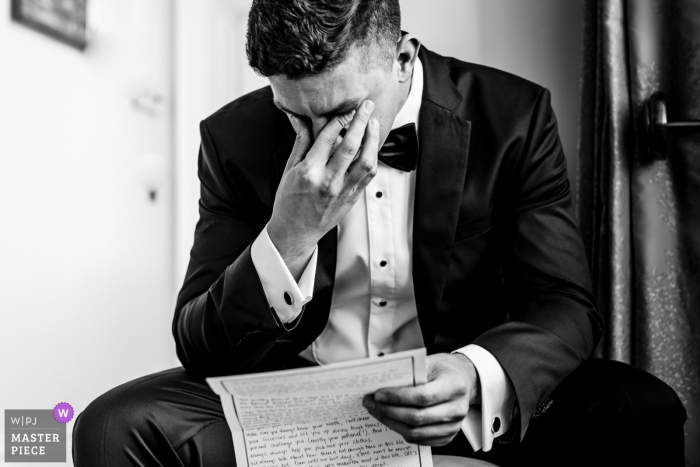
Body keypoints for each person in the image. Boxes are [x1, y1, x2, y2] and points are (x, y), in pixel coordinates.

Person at [72, 1, 687, 466]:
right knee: (110, 425)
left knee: (640, 409)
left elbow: (564, 303)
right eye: (294, 115)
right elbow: (201, 346)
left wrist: (476, 373)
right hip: (300, 405)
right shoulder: (233, 139)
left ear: (401, 59)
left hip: (452, 402)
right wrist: (289, 236)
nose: (317, 142)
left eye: (341, 113)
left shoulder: (513, 115)